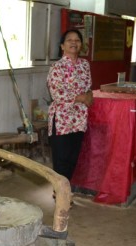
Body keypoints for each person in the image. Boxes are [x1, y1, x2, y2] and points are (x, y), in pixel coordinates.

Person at [46, 29, 93, 184]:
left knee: (73, 158)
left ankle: (66, 192)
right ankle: (59, 194)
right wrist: (81, 98)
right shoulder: (57, 67)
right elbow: (57, 94)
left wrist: (89, 96)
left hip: (79, 118)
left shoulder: (84, 64)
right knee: (61, 160)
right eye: (69, 40)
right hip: (61, 120)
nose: (74, 43)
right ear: (62, 46)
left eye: (77, 40)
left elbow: (88, 87)